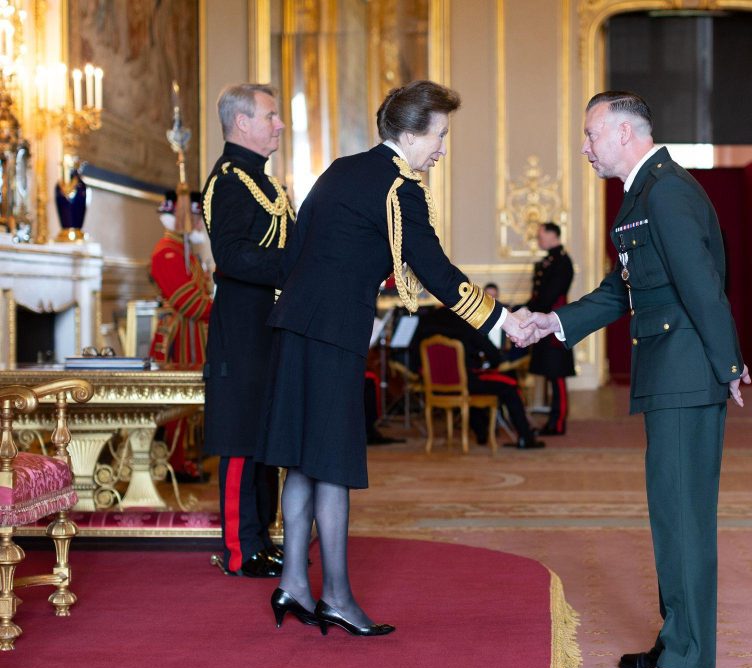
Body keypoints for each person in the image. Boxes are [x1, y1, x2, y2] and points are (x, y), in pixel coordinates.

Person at [256, 80, 533, 636]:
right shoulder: (398, 186)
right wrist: (501, 321)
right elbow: (433, 268)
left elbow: (294, 252)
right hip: (334, 335)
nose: (442, 149)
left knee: (303, 461)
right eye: (439, 136)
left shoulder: (340, 169)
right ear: (408, 135)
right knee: (331, 463)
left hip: (294, 327)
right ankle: (334, 595)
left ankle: (292, 582)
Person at [522, 91, 750, 668]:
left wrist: (729, 364)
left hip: (686, 374)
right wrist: (556, 323)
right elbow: (620, 290)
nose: (584, 148)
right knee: (670, 516)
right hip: (670, 374)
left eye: (591, 135)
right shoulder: (644, 196)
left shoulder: (668, 192)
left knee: (684, 519)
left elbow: (704, 286)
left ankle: (689, 664)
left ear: (624, 133)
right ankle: (678, 637)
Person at [202, 83, 295, 579]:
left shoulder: (266, 182)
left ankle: (264, 540)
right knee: (241, 438)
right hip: (242, 328)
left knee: (266, 440)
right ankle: (242, 549)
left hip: (272, 326)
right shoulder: (229, 180)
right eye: (271, 116)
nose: (279, 124)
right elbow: (233, 256)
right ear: (242, 123)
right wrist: (295, 264)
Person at [412, 306, 544, 449]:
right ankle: (525, 436)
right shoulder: (465, 320)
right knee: (509, 384)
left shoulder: (424, 322)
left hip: (433, 385)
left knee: (472, 387)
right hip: (467, 382)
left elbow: (414, 356)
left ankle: (481, 432)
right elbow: (493, 355)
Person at [149, 190, 213, 483]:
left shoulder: (188, 252)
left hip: (195, 334)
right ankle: (174, 460)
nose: (199, 222)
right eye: (196, 216)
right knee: (177, 401)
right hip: (178, 336)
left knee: (192, 401)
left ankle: (188, 457)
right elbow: (190, 302)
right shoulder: (167, 252)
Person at [525, 222, 575, 435]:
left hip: (555, 326)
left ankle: (559, 421)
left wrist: (528, 310)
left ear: (553, 235)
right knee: (550, 373)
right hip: (544, 323)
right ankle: (553, 421)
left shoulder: (562, 261)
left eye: (541, 235)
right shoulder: (548, 261)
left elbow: (549, 296)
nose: (539, 240)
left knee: (557, 374)